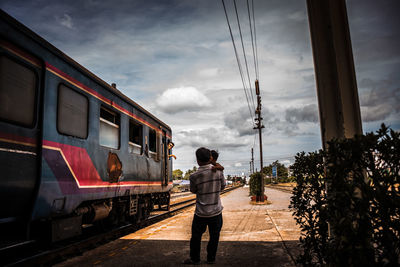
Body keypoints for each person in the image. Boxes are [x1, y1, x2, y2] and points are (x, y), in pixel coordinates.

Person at [183, 147, 226, 265]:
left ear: (197, 160)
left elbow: (193, 190)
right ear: (210, 158)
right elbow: (222, 187)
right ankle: (211, 258)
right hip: (216, 212)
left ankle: (195, 259)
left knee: (196, 237)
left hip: (201, 213)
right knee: (214, 236)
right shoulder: (218, 172)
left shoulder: (194, 176)